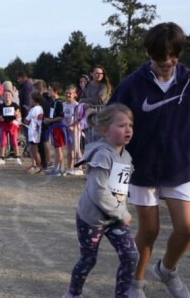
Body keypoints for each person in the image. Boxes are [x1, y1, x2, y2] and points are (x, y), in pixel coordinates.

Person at [108, 22, 190, 298]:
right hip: (142, 167)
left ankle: (167, 270)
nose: (166, 61)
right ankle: (136, 282)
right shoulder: (131, 85)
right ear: (149, 53)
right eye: (159, 55)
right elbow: (110, 123)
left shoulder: (189, 81)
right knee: (149, 229)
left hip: (180, 165)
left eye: (172, 54)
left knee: (187, 228)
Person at [62, 103, 137, 298]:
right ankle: (73, 294)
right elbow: (98, 191)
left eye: (130, 125)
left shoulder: (126, 156)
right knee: (88, 260)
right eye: (121, 126)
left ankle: (122, 295)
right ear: (104, 130)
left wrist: (121, 212)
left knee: (130, 256)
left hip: (114, 219)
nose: (128, 129)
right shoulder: (103, 155)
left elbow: (120, 189)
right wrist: (122, 212)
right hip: (92, 219)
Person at [44, 82, 67, 176]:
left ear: (55, 91)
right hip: (53, 127)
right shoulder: (53, 102)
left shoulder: (59, 103)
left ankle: (56, 168)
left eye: (50, 89)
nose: (48, 91)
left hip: (58, 127)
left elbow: (61, 116)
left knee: (58, 149)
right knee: (57, 149)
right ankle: (60, 168)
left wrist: (51, 120)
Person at [0, 90, 22, 165]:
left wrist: (17, 114)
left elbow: (19, 114)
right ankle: (2, 158)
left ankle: (17, 158)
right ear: (3, 97)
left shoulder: (15, 105)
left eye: (9, 95)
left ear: (12, 97)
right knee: (3, 141)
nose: (7, 97)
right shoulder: (1, 106)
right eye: (6, 95)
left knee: (14, 141)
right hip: (4, 125)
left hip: (13, 125)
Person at [32, 79, 52, 172]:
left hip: (43, 123)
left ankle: (46, 162)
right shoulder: (46, 98)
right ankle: (45, 162)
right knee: (43, 143)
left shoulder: (43, 99)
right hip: (44, 122)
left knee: (43, 143)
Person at [62, 85, 82, 176]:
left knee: (77, 149)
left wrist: (74, 126)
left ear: (74, 95)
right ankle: (70, 167)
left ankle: (79, 168)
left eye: (70, 93)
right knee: (69, 149)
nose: (68, 95)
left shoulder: (76, 105)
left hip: (75, 129)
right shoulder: (63, 104)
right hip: (66, 129)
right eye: (67, 93)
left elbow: (80, 118)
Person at [23, 92, 44, 173]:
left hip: (33, 132)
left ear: (33, 100)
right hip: (38, 131)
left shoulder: (33, 110)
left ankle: (39, 166)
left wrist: (27, 114)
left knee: (34, 150)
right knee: (32, 149)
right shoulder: (40, 108)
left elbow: (26, 121)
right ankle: (37, 165)